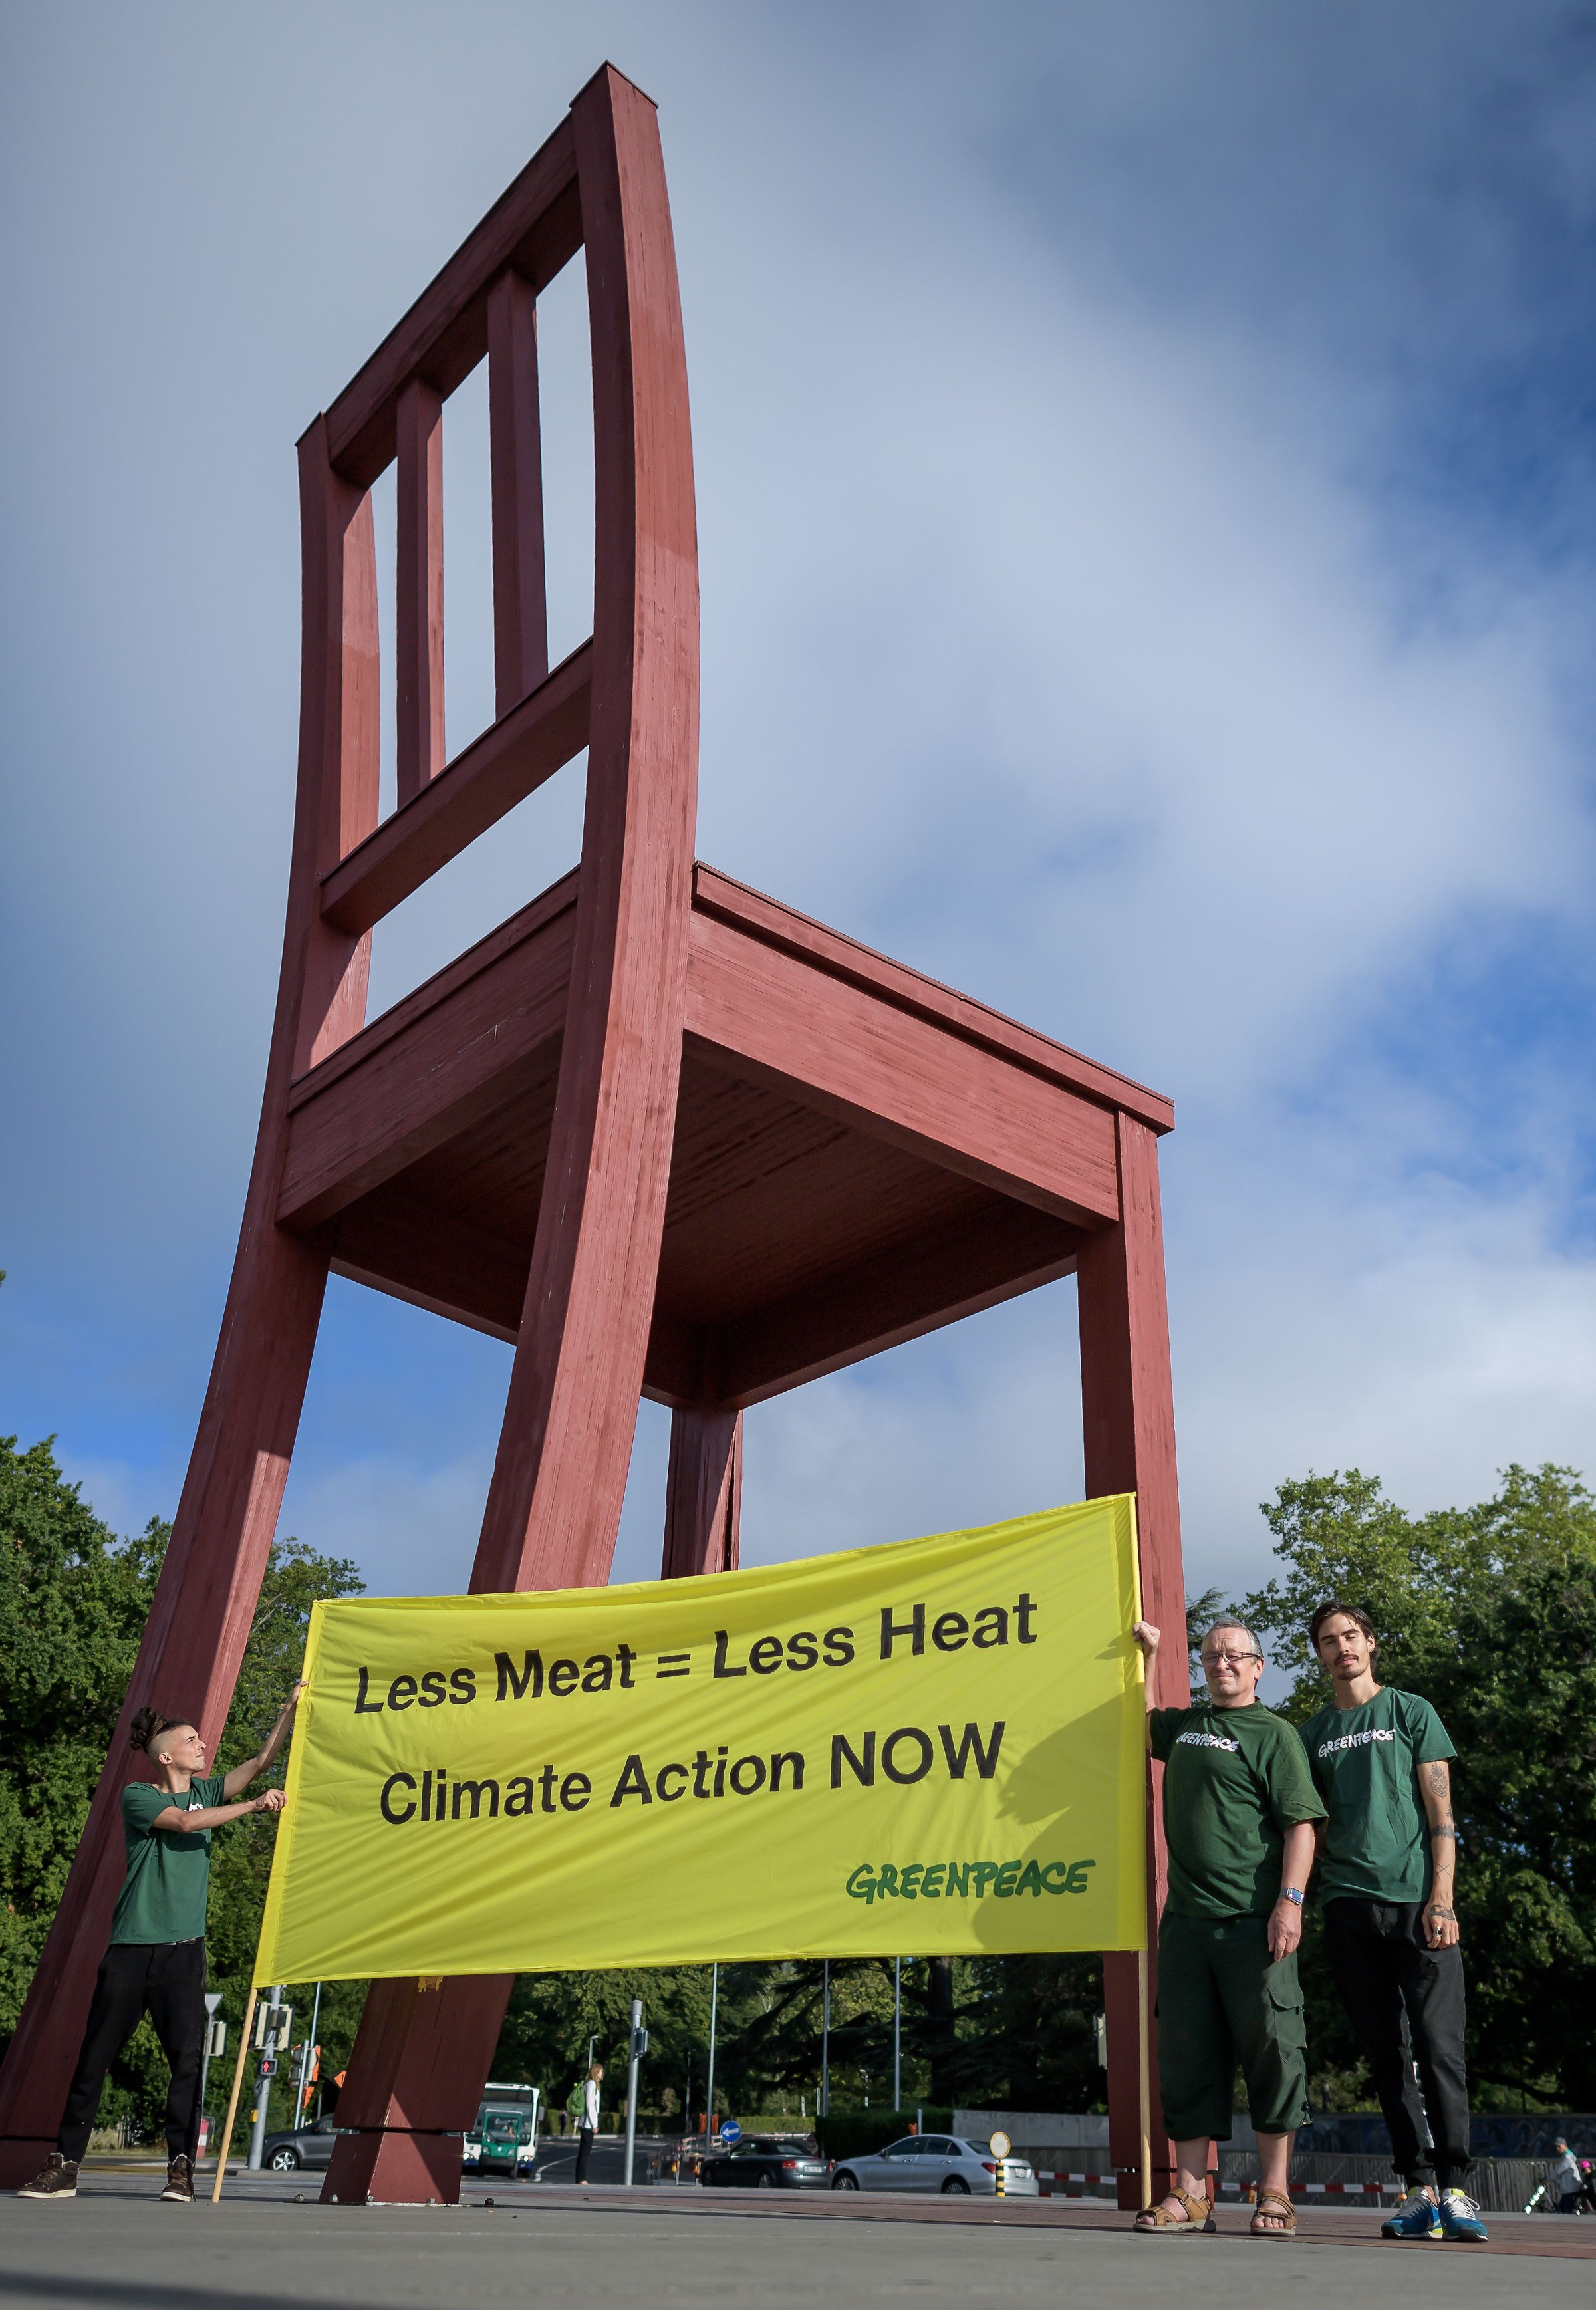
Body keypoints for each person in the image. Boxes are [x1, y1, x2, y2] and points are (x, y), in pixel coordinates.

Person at [17, 1686, 303, 2205]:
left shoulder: (209, 1790)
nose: (202, 1745)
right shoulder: (140, 1796)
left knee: (187, 2063)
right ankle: (63, 2168)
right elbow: (188, 1823)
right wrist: (255, 1807)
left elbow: (260, 1762)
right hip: (130, 1950)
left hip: (183, 1952)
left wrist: (287, 1710)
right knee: (94, 2059)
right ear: (166, 1755)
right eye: (192, 1740)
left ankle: (180, 2172)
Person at [1130, 1617, 1325, 2239]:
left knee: (1273, 2047)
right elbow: (1139, 1720)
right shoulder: (1187, 1726)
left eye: (1236, 1656)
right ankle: (1190, 2196)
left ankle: (1274, 2191)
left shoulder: (1275, 1735)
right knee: (1187, 2053)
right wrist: (1151, 1653)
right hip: (1186, 1922)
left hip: (1254, 1924)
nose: (1222, 1665)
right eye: (1212, 1656)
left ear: (1258, 1667)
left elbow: (1302, 1824)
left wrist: (1289, 1902)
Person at [1299, 1603, 1487, 2244]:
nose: (1341, 1648)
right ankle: (1418, 2189)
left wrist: (1443, 1897)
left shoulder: (1410, 1711)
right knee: (1386, 2056)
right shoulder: (1313, 1733)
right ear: (1319, 1655)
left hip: (1419, 1905)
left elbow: (1442, 1814)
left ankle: (1457, 2186)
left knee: (1441, 2048)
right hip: (1348, 1908)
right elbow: (1311, 1826)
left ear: (1370, 1644)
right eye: (1329, 1641)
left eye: (1350, 1636)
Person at [573, 2061, 603, 2184]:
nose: (603, 2074)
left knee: (584, 2152)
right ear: (596, 2072)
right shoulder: (591, 2084)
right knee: (585, 2152)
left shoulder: (590, 2084)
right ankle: (581, 2178)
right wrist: (594, 2125)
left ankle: (580, 2178)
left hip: (586, 2123)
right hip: (587, 2124)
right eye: (602, 2072)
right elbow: (590, 2105)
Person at [1548, 2138, 1583, 2215]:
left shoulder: (1567, 2158)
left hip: (1570, 2189)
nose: (1558, 2149)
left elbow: (1558, 2172)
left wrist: (1548, 2180)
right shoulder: (1569, 2156)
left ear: (1565, 2146)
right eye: (1556, 2147)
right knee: (1562, 2209)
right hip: (1572, 2188)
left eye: (1559, 2146)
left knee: (1566, 2212)